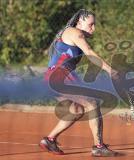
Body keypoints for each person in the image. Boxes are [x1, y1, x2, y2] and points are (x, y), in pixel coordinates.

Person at [39, 9, 119, 157]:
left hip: (52, 78)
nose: (93, 28)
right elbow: (89, 53)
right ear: (79, 22)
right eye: (91, 24)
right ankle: (98, 147)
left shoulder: (71, 33)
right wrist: (110, 70)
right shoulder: (76, 33)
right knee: (92, 103)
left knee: (77, 111)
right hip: (60, 76)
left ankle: (49, 140)